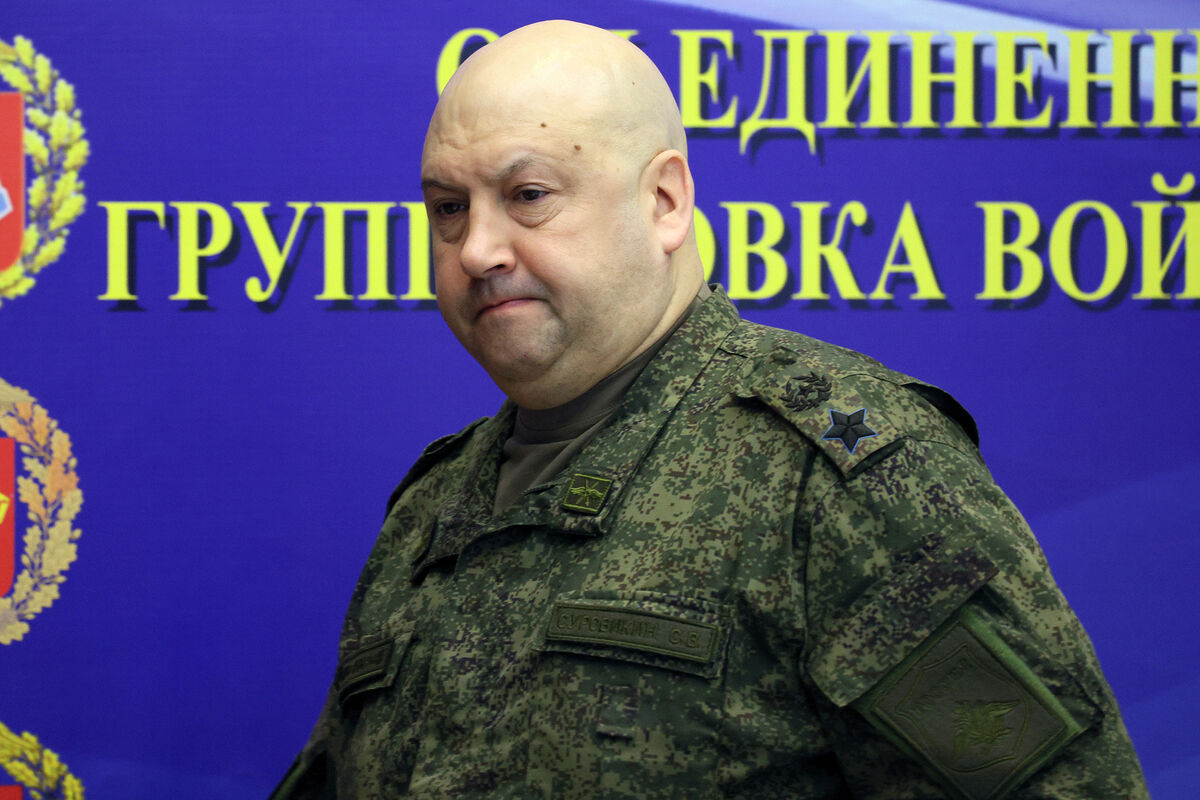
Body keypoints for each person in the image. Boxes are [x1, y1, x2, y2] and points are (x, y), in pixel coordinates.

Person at [272, 20, 1148, 800]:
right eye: (448, 209)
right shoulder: (432, 508)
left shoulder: (831, 480)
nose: (478, 249)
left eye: (529, 195)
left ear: (665, 202)